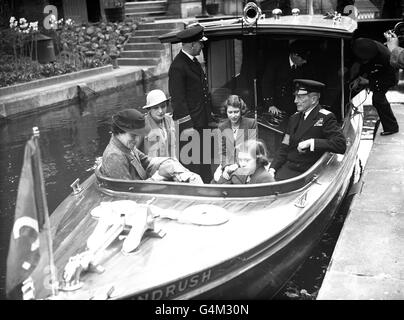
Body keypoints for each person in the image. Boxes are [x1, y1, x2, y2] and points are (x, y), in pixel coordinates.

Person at [269, 79, 347, 181]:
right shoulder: (294, 118)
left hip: (308, 172)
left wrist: (312, 143)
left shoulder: (326, 117)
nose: (295, 101)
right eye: (295, 96)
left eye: (300, 97)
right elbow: (284, 146)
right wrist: (273, 168)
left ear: (313, 99)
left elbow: (340, 145)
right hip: (287, 169)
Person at [100, 109, 203, 184]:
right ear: (119, 132)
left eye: (138, 135)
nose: (136, 140)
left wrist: (167, 163)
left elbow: (146, 161)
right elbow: (128, 194)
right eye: (133, 135)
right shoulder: (114, 157)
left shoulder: (126, 145)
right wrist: (158, 177)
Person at [168, 24, 213, 183]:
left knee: (205, 161)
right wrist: (189, 129)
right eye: (200, 43)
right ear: (192, 44)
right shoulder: (177, 67)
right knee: (194, 165)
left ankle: (209, 187)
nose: (202, 45)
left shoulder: (193, 62)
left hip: (203, 121)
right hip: (191, 126)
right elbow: (178, 101)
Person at [350, 38, 399, 136]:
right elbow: (363, 66)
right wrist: (357, 78)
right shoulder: (359, 46)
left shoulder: (387, 57)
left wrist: (369, 82)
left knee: (378, 99)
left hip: (385, 75)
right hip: (370, 70)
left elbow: (390, 80)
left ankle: (391, 127)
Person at [261, 40, 318, 118]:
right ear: (295, 55)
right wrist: (270, 105)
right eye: (302, 59)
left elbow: (305, 87)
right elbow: (267, 83)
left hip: (293, 105)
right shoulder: (276, 63)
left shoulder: (305, 68)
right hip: (275, 104)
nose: (305, 62)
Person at [218, 95, 257, 168]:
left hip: (246, 164)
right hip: (228, 165)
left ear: (241, 111)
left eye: (236, 112)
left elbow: (252, 150)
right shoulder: (222, 127)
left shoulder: (251, 124)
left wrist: (237, 165)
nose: (233, 116)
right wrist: (226, 167)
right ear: (226, 112)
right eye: (230, 112)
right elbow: (222, 152)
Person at [138, 89, 177, 158]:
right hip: (151, 166)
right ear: (149, 109)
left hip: (169, 164)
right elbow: (132, 151)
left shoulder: (170, 121)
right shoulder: (142, 126)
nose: (160, 111)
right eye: (156, 108)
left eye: (163, 106)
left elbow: (173, 147)